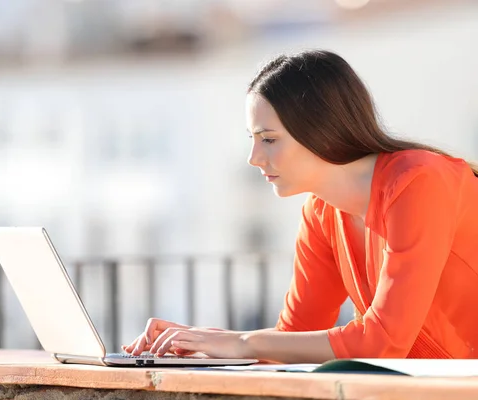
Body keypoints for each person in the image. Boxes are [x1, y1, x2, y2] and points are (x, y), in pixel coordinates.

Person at [123, 49, 478, 363]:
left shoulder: (419, 181)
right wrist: (199, 344)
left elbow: (384, 343)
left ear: (320, 130)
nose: (254, 158)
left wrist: (243, 342)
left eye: (270, 140)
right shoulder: (322, 211)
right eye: (254, 140)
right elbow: (296, 334)